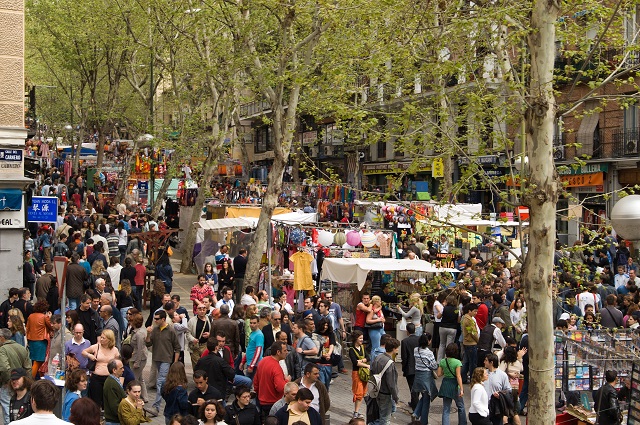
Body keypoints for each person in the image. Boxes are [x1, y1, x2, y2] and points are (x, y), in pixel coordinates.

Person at [146, 310, 181, 416]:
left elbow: (177, 348)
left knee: (160, 382)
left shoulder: (171, 330)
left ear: (163, 319)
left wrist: (174, 363)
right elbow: (148, 344)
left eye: (157, 319)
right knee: (164, 383)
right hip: (156, 359)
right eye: (154, 318)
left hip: (166, 360)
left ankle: (156, 407)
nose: (155, 320)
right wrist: (148, 334)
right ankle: (172, 402)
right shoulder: (155, 330)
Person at [83, 329, 120, 408]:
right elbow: (84, 352)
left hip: (109, 377)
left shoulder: (115, 350)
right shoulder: (96, 346)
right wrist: (90, 356)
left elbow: (118, 362)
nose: (101, 339)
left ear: (109, 340)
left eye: (104, 338)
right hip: (97, 377)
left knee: (107, 399)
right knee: (96, 400)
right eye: (101, 337)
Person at [253, 341, 289, 418]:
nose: (287, 352)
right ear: (278, 352)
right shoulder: (276, 367)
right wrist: (287, 381)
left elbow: (256, 382)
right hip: (273, 403)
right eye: (285, 350)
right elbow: (280, 388)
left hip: (261, 401)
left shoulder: (263, 361)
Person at [437, 343, 467, 425]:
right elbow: (458, 376)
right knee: (460, 406)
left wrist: (445, 370)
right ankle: (462, 423)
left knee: (446, 409)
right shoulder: (457, 362)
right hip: (455, 385)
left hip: (446, 384)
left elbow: (439, 374)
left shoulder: (443, 361)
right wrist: (461, 389)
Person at [25, 300, 53, 378]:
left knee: (34, 360)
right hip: (41, 341)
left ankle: (37, 378)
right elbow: (51, 326)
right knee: (39, 361)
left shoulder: (31, 316)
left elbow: (28, 328)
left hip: (31, 340)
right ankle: (32, 378)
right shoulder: (44, 317)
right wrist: (49, 317)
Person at [498, 346, 524, 425]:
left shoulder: (504, 362)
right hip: (515, 388)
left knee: (506, 409)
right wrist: (520, 358)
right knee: (514, 410)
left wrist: (508, 373)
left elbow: (500, 373)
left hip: (507, 389)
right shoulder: (518, 362)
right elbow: (521, 369)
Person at [483, 353, 511, 425]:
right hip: (484, 406)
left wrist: (500, 395)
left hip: (496, 407)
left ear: (491, 362)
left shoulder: (502, 375)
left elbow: (508, 390)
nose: (484, 362)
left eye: (486, 360)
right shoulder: (484, 373)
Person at [348, 330, 369, 419]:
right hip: (356, 373)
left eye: (362, 338)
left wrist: (362, 360)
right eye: (360, 338)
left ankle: (357, 411)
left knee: (363, 392)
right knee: (358, 392)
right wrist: (366, 365)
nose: (362, 340)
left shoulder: (363, 348)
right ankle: (356, 412)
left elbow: (368, 357)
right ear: (355, 339)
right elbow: (355, 363)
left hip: (364, 373)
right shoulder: (351, 350)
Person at [401, 323, 420, 411]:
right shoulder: (419, 339)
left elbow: (404, 357)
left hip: (410, 368)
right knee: (416, 388)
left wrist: (404, 367)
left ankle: (415, 407)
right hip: (419, 367)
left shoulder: (405, 341)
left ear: (407, 331)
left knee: (412, 388)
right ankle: (414, 402)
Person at [461, 303, 480, 384]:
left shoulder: (464, 318)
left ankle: (463, 377)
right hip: (471, 343)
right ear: (469, 311)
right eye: (475, 311)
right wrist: (478, 340)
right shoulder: (469, 320)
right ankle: (472, 378)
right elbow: (473, 332)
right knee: (472, 362)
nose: (476, 313)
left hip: (467, 342)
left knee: (466, 361)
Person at [104, 359, 127, 425]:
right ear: (114, 370)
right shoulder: (111, 384)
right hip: (114, 421)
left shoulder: (114, 381)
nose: (123, 370)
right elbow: (114, 406)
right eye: (121, 368)